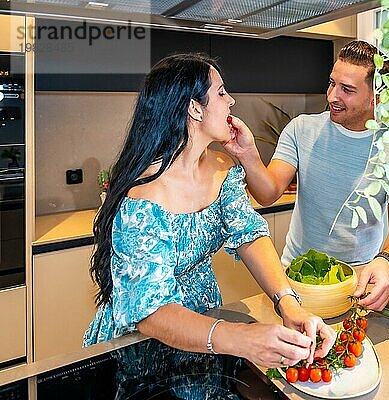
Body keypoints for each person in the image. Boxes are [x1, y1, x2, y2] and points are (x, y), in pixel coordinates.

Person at [83, 53, 335, 369]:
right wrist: (241, 339)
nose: (230, 101)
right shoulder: (143, 198)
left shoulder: (221, 167)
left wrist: (288, 302)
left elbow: (249, 235)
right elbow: (151, 312)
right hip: (143, 346)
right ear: (194, 107)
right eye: (220, 92)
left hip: (206, 327)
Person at [224, 41, 389, 312]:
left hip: (359, 280)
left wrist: (386, 261)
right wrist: (248, 155)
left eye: (347, 90)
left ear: (377, 96)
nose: (332, 96)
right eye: (332, 83)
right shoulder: (301, 130)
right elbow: (267, 194)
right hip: (296, 276)